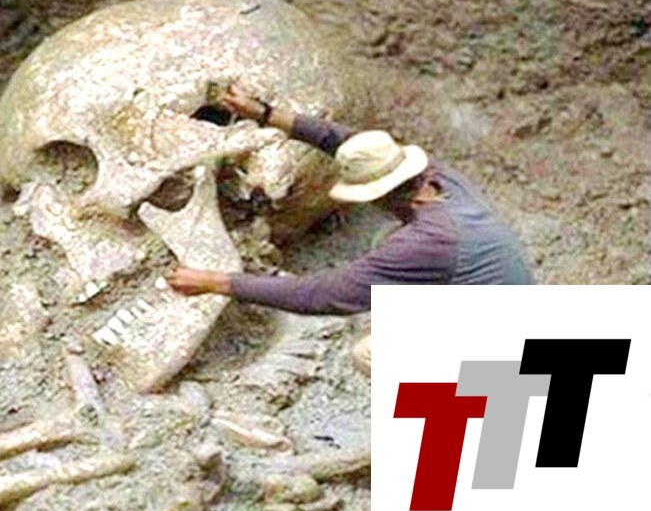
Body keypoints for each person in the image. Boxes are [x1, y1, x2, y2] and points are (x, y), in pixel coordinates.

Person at [170, 86, 532, 376]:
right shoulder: (438, 178)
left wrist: (218, 282)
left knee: (370, 352)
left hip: (504, 349)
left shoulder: (426, 243)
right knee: (386, 254)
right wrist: (266, 114)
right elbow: (346, 142)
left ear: (377, 195)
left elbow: (320, 294)